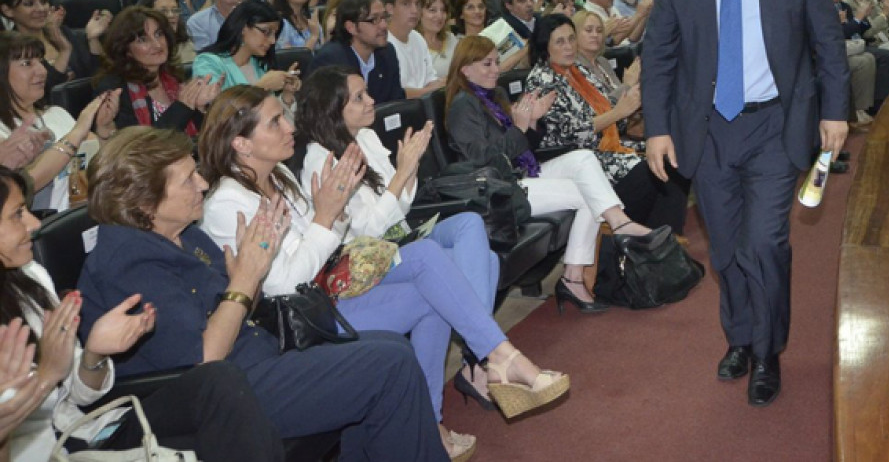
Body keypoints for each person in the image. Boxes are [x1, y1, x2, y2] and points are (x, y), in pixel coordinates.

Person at [200, 86, 569, 458]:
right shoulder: (227, 202)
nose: (288, 126)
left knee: (435, 284)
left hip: (329, 287)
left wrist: (334, 213)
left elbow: (323, 242)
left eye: (284, 116)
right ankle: (496, 360)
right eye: (275, 121)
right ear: (241, 144)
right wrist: (328, 215)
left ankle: (444, 407)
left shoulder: (278, 174)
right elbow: (282, 283)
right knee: (427, 263)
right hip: (299, 322)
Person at [77, 126, 449, 460]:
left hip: (257, 356)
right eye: (189, 180)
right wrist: (245, 278)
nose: (203, 185)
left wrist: (248, 276)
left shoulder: (185, 234)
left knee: (392, 348)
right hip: (217, 399)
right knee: (389, 366)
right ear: (144, 202)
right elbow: (206, 360)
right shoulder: (128, 261)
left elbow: (239, 308)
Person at [641, 0, 849, 407]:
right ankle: (739, 337)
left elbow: (827, 43)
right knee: (727, 248)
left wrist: (836, 111)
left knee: (765, 242)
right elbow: (658, 56)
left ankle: (767, 350)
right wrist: (657, 128)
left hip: (774, 125)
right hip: (706, 130)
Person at [0, 165, 290, 460]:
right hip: (46, 451)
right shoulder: (126, 259)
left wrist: (94, 355)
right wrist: (48, 376)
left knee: (222, 390)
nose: (34, 223)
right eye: (17, 214)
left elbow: (77, 396)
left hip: (92, 428)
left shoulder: (30, 276)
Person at [446, 35, 656, 314]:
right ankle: (574, 276)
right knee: (587, 194)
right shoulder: (463, 105)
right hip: (498, 188)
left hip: (521, 172)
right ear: (465, 69)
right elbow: (484, 161)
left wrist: (532, 122)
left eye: (497, 62)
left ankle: (616, 223)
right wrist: (519, 127)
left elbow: (522, 148)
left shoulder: (494, 96)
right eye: (487, 64)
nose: (496, 69)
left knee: (584, 158)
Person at [524, 14, 688, 233]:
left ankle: (664, 239)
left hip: (607, 148)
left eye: (572, 39)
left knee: (675, 159)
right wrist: (619, 112)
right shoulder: (541, 80)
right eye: (560, 42)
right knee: (651, 170)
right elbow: (567, 135)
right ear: (545, 46)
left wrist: (628, 105)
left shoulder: (578, 71)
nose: (569, 47)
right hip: (579, 159)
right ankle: (647, 240)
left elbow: (614, 121)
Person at [0, 33, 119, 212]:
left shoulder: (57, 113)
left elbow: (98, 159)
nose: (42, 70)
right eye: (26, 64)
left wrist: (104, 127)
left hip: (88, 211)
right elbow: (25, 185)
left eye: (40, 61)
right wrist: (77, 132)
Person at [93, 6, 220, 137]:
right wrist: (182, 107)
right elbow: (138, 146)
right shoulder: (114, 90)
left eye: (159, 34)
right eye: (143, 40)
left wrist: (199, 108)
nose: (157, 45)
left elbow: (196, 136)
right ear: (126, 50)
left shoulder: (173, 78)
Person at [191, 0, 301, 107]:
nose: (272, 41)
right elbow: (218, 113)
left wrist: (286, 96)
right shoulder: (207, 62)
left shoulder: (260, 64)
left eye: (274, 34)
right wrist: (261, 87)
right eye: (266, 32)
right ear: (243, 28)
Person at [0, 0, 102, 89]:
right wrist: (64, 51)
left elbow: (96, 75)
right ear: (7, 10)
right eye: (29, 4)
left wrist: (93, 39)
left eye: (44, 2)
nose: (40, 9)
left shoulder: (62, 32)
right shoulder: (9, 49)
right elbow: (42, 93)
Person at [309, 0, 404, 103]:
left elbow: (397, 102)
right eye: (374, 20)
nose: (384, 25)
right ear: (351, 27)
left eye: (384, 17)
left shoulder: (387, 52)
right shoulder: (330, 60)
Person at [418, 0, 460, 78]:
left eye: (443, 10)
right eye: (432, 10)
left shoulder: (450, 38)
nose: (440, 16)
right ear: (418, 13)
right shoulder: (413, 46)